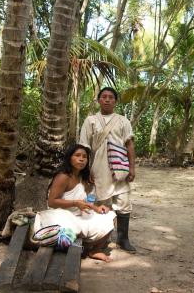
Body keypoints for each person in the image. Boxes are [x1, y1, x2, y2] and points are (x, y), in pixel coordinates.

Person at [34, 144, 116, 262]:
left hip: (79, 216)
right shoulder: (63, 176)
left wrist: (96, 208)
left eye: (84, 157)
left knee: (110, 216)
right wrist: (75, 203)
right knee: (68, 231)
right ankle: (81, 244)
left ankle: (95, 250)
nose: (81, 159)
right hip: (61, 215)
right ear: (69, 158)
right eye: (77, 155)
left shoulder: (82, 177)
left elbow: (83, 202)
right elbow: (52, 202)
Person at [79, 87, 137, 252]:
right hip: (98, 168)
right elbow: (84, 146)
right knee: (101, 202)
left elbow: (129, 144)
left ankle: (123, 239)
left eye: (111, 97)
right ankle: (102, 238)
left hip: (120, 168)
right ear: (98, 100)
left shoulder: (123, 121)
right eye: (103, 96)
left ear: (115, 101)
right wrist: (86, 169)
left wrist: (132, 167)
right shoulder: (90, 120)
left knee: (124, 202)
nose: (107, 99)